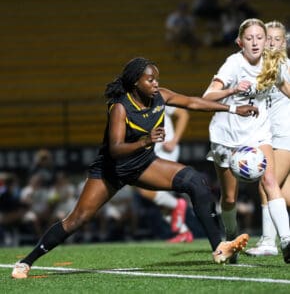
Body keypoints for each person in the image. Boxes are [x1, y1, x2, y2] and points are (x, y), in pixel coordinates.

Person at [11, 57, 257, 279]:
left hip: (143, 165)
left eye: (156, 78)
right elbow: (116, 148)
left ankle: (218, 247)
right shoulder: (121, 107)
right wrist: (146, 140)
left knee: (195, 181)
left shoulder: (161, 95)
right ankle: (26, 262)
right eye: (150, 79)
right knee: (76, 220)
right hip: (111, 170)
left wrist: (234, 108)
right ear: (135, 83)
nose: (155, 83)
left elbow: (193, 103)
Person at [202, 18, 290, 264]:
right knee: (230, 197)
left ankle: (286, 241)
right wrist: (232, 90)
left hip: (257, 132)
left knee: (270, 181)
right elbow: (207, 96)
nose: (255, 43)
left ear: (265, 40)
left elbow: (285, 86)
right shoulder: (233, 64)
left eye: (259, 38)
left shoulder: (273, 63)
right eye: (249, 38)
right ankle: (230, 239)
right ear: (240, 42)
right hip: (227, 136)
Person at [244, 20, 290, 256]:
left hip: (284, 135)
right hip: (272, 134)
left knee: (267, 183)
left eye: (277, 39)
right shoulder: (263, 66)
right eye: (268, 38)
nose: (271, 42)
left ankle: (269, 243)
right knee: (284, 195)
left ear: (285, 43)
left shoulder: (285, 66)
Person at [136, 106, 194, 243]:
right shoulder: (132, 103)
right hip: (151, 152)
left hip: (165, 151)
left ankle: (177, 204)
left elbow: (183, 114)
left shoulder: (157, 97)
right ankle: (184, 232)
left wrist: (174, 140)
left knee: (143, 188)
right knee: (159, 197)